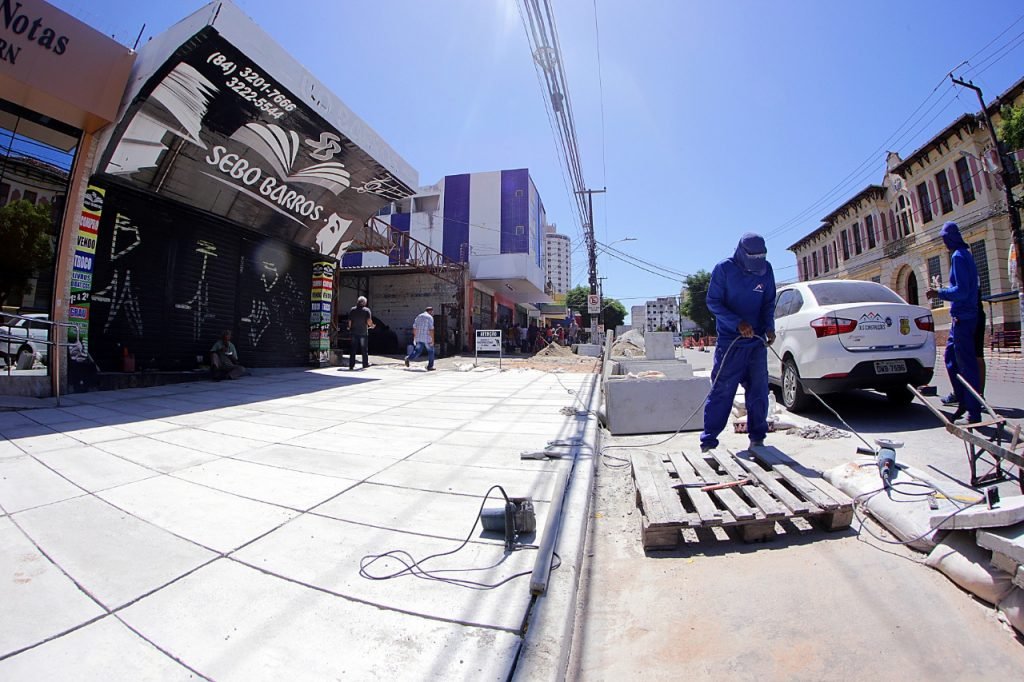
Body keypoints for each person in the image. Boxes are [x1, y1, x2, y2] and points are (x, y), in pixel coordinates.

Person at [699, 233, 776, 452]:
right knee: (722, 392)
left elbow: (768, 301)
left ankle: (758, 439)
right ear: (742, 252)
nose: (757, 261)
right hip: (730, 343)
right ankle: (709, 442)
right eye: (753, 257)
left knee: (759, 392)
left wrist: (769, 326)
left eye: (761, 256)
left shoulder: (766, 269)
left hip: (756, 343)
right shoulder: (724, 269)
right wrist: (737, 323)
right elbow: (713, 302)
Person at [926, 221, 982, 425]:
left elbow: (962, 291)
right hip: (961, 316)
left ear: (950, 238)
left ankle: (974, 412)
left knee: (966, 365)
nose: (944, 242)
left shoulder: (959, 256)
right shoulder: (963, 255)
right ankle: (962, 399)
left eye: (944, 238)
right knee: (950, 357)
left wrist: (938, 292)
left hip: (963, 318)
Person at [347, 295, 374, 370]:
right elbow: (368, 321)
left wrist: (349, 328)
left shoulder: (353, 310)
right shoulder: (367, 310)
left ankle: (351, 365)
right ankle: (365, 364)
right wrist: (372, 325)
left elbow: (350, 321)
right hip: (363, 332)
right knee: (364, 349)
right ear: (364, 303)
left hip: (354, 332)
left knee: (353, 349)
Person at [405, 305, 435, 370]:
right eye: (432, 312)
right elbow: (431, 329)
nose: (432, 313)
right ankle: (430, 366)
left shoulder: (418, 316)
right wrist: (432, 340)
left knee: (417, 351)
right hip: (427, 338)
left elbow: (414, 327)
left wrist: (415, 337)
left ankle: (408, 358)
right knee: (431, 352)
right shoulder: (430, 317)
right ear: (430, 311)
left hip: (419, 338)